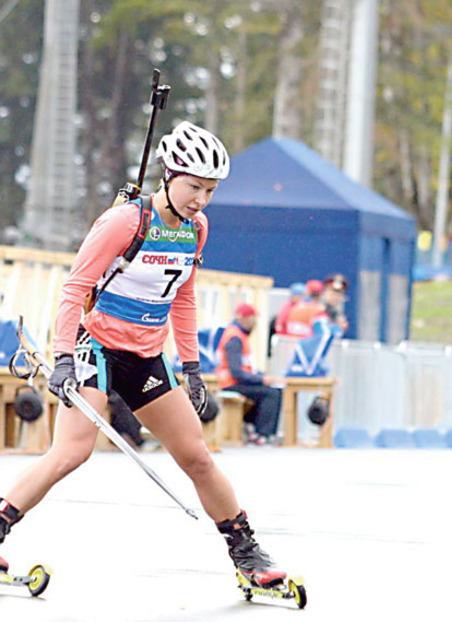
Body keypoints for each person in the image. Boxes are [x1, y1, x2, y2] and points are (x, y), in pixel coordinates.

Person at [0, 121, 286, 588]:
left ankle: (248, 554)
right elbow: (74, 289)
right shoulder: (125, 221)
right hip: (99, 351)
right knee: (71, 453)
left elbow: (185, 298)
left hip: (149, 358)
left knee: (197, 457)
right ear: (168, 175)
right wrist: (65, 355)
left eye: (210, 191)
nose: (200, 199)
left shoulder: (196, 227)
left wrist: (191, 367)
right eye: (194, 186)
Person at [215, 303, 282, 445]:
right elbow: (237, 372)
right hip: (231, 383)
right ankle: (262, 434)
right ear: (243, 318)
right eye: (252, 319)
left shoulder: (237, 335)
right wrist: (262, 379)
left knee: (269, 391)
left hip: (235, 381)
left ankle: (254, 427)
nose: (254, 323)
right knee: (272, 393)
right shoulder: (234, 337)